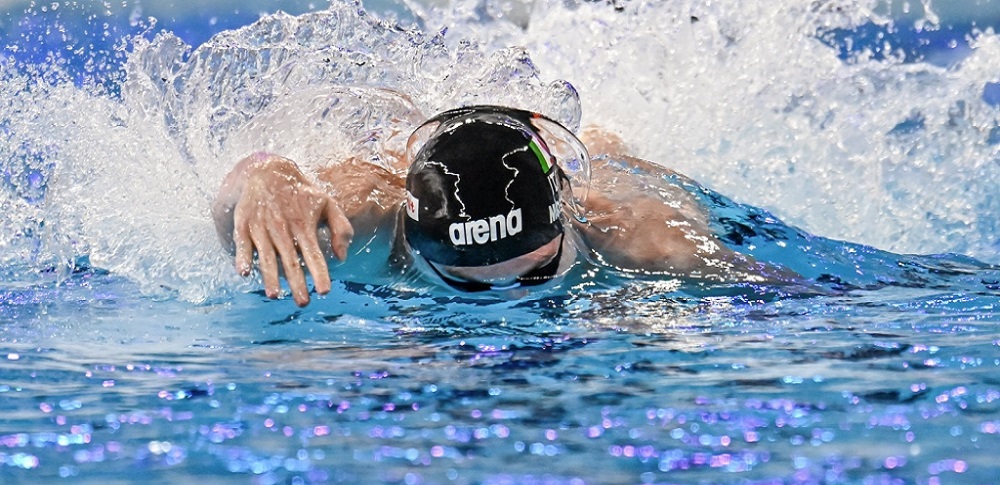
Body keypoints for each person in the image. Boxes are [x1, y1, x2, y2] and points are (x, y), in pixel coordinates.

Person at [213, 105, 792, 306]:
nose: (506, 299)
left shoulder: (645, 238)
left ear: (570, 222)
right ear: (414, 246)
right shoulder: (357, 217)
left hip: (595, 172)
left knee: (609, 144)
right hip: (390, 163)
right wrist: (267, 172)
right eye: (465, 283)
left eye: (539, 271)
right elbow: (234, 213)